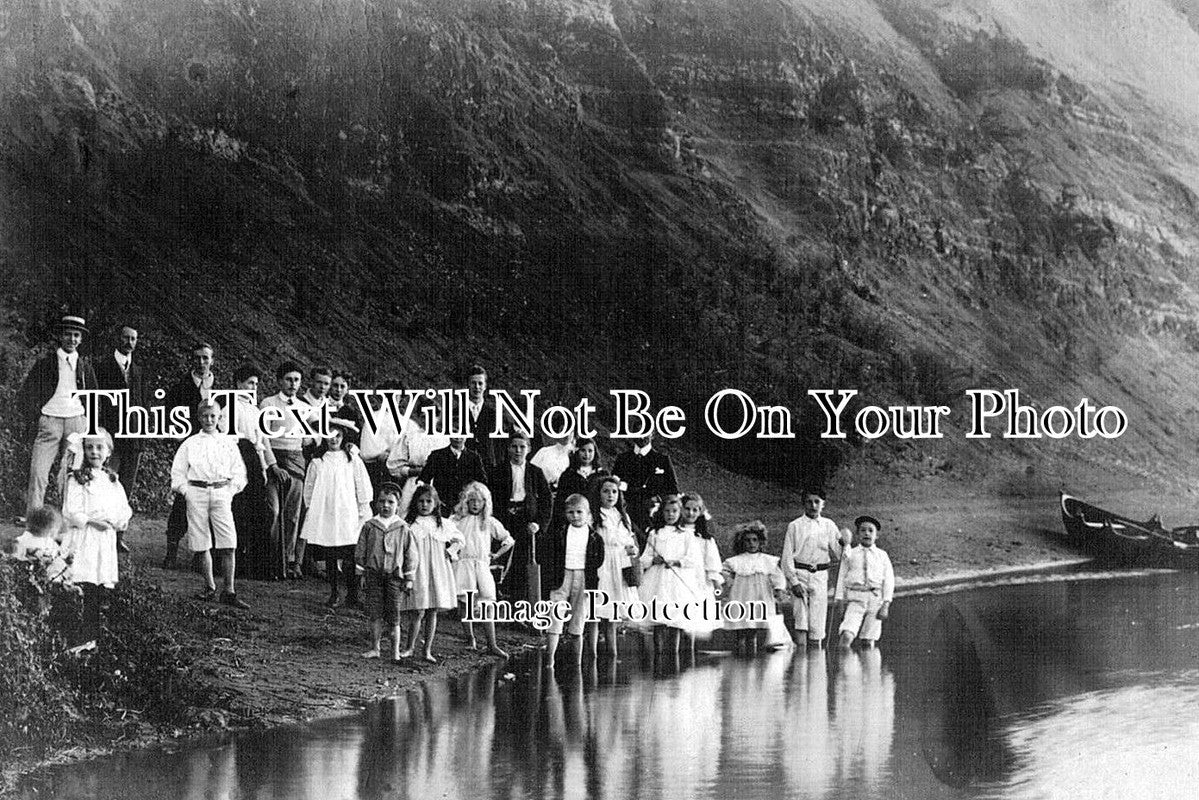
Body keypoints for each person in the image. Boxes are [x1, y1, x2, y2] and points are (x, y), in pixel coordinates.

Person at [170, 400, 249, 609]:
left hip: (222, 493)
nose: (209, 420)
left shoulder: (227, 442)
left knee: (228, 542)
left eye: (213, 416)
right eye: (205, 416)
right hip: (197, 492)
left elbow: (239, 472)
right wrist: (187, 491)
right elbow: (177, 473)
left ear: (219, 418)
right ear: (199, 418)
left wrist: (229, 491)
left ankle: (229, 590)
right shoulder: (190, 443)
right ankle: (210, 587)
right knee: (201, 541)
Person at [18, 314, 97, 521]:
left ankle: (68, 526)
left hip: (76, 423)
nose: (72, 339)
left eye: (76, 335)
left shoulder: (84, 366)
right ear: (61, 337)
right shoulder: (46, 364)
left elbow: (95, 396)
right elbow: (26, 394)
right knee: (38, 474)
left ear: (81, 339)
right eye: (68, 334)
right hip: (50, 422)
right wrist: (38, 417)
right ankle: (34, 526)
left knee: (69, 477)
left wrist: (87, 420)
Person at [60, 429, 132, 653]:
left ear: (108, 452)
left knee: (99, 588)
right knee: (82, 583)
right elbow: (70, 510)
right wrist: (92, 521)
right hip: (84, 538)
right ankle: (75, 638)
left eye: (99, 447)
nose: (94, 452)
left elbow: (124, 510)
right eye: (89, 447)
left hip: (104, 541)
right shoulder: (77, 479)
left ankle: (93, 639)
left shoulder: (112, 480)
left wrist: (117, 522)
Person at [222, 365, 286, 580]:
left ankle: (257, 565)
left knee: (261, 513)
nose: (253, 387)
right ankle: (235, 563)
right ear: (238, 383)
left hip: (256, 465)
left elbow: (263, 439)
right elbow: (228, 440)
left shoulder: (254, 408)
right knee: (239, 513)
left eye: (256, 384)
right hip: (239, 462)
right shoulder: (230, 407)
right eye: (250, 383)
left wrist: (269, 465)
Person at [301, 418, 374, 608]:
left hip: (347, 513)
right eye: (329, 435)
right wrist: (313, 511)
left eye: (338, 435)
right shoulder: (318, 461)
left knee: (350, 555)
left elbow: (362, 484)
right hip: (326, 514)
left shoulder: (351, 459)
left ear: (343, 437)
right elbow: (309, 488)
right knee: (331, 555)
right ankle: (334, 592)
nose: (333, 439)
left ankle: (353, 594)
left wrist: (362, 508)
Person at [162, 342, 218, 569]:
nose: (201, 362)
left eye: (206, 358)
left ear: (212, 360)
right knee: (184, 498)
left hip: (213, 452)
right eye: (197, 358)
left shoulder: (220, 389)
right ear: (191, 360)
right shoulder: (180, 388)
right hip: (189, 450)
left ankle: (200, 554)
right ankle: (172, 549)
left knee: (211, 499)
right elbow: (169, 418)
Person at [259, 362, 313, 579]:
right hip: (274, 463)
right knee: (273, 512)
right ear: (279, 381)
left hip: (296, 463)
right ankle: (270, 561)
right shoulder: (268, 403)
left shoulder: (303, 407)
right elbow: (263, 437)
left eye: (297, 380)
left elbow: (310, 437)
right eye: (289, 379)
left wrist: (310, 438)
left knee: (292, 516)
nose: (293, 384)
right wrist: (273, 466)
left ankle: (289, 561)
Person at [398, 484, 463, 662]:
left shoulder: (443, 524)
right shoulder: (409, 523)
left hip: (437, 569)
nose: (425, 505)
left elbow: (459, 539)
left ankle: (427, 650)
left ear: (435, 504)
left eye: (429, 501)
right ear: (415, 503)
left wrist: (450, 552)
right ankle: (409, 647)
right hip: (418, 570)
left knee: (433, 610)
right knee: (418, 610)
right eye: (421, 501)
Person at [94, 325, 144, 552]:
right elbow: (97, 402)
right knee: (105, 485)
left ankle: (117, 537)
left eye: (133, 339)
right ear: (118, 338)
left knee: (126, 489)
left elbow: (144, 406)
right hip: (110, 439)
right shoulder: (102, 367)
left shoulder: (139, 371)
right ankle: (99, 535)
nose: (129, 342)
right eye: (126, 337)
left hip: (133, 439)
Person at [451, 481, 514, 657]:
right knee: (465, 603)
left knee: (487, 603)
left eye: (479, 501)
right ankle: (470, 638)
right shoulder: (457, 520)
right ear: (465, 502)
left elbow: (508, 540)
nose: (475, 505)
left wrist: (497, 554)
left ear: (485, 503)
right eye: (471, 501)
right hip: (464, 564)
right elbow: (446, 535)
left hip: (481, 565)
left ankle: (491, 643)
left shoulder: (489, 522)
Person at [356, 482, 416, 661]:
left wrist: (409, 577)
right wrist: (361, 574)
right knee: (374, 613)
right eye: (382, 501)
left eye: (390, 502)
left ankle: (395, 651)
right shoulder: (370, 526)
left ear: (398, 505)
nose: (386, 505)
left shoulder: (403, 528)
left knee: (394, 615)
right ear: (376, 503)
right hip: (374, 575)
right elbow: (361, 550)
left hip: (394, 578)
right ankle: (375, 647)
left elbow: (410, 553)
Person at [542, 494, 604, 669]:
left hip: (584, 577)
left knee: (578, 619)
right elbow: (549, 555)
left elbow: (599, 558)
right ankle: (550, 660)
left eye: (579, 512)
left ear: (588, 513)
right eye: (571, 512)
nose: (575, 516)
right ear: (565, 513)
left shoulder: (594, 537)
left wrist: (588, 573)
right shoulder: (560, 533)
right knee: (555, 615)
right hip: (562, 576)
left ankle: (576, 662)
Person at [638, 494, 705, 655]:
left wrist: (676, 562)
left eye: (674, 511)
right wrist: (654, 560)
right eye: (667, 511)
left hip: (677, 581)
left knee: (676, 619)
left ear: (680, 513)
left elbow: (693, 559)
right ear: (662, 513)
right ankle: (658, 654)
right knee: (658, 617)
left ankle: (673, 654)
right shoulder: (655, 533)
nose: (671, 515)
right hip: (658, 580)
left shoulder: (686, 534)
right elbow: (644, 558)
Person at [781, 490, 848, 647]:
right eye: (809, 501)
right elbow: (787, 556)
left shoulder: (829, 525)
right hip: (800, 574)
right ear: (803, 504)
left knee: (817, 623)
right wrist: (793, 581)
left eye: (817, 501)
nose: (813, 505)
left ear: (823, 504)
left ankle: (816, 666)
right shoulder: (794, 526)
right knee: (801, 621)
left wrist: (845, 543)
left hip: (820, 576)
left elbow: (841, 554)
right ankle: (802, 662)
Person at [490, 431, 551, 602]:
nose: (518, 451)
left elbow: (547, 501)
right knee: (500, 560)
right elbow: (491, 498)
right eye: (514, 447)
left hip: (526, 520)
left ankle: (519, 606)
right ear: (508, 448)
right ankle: (495, 602)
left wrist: (539, 524)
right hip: (503, 519)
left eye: (522, 447)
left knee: (523, 563)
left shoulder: (535, 472)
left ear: (529, 449)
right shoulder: (498, 471)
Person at [587, 475, 640, 658]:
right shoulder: (593, 514)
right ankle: (591, 654)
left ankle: (612, 653)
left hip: (619, 563)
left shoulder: (622, 516)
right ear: (599, 494)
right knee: (595, 611)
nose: (610, 495)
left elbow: (628, 539)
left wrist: (631, 548)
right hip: (600, 563)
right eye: (606, 491)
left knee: (612, 613)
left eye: (614, 492)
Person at [722, 521, 787, 655]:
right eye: (747, 540)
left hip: (759, 597)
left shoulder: (767, 560)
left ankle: (752, 659)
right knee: (741, 629)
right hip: (742, 597)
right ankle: (740, 661)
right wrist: (729, 580)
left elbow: (778, 576)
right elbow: (723, 572)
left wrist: (779, 588)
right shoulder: (735, 561)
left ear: (760, 542)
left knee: (753, 630)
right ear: (742, 542)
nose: (751, 543)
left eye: (754, 540)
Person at [834, 515, 895, 649]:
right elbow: (841, 577)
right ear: (857, 534)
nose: (867, 533)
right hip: (855, 599)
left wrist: (886, 604)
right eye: (863, 530)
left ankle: (869, 668)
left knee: (868, 640)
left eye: (870, 530)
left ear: (876, 535)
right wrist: (839, 601)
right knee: (846, 635)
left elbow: (889, 581)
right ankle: (846, 668)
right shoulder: (850, 554)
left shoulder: (882, 555)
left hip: (875, 599)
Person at [385, 396, 449, 517]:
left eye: (432, 416)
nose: (427, 420)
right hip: (414, 482)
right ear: (419, 418)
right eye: (424, 416)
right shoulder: (410, 437)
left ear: (437, 417)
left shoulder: (445, 439)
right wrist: (414, 471)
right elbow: (393, 465)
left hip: (438, 484)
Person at [611, 433, 679, 542]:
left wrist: (657, 500)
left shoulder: (663, 460)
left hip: (651, 515)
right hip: (626, 513)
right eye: (638, 432)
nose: (642, 437)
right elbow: (613, 486)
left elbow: (673, 490)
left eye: (645, 433)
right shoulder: (623, 459)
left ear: (652, 435)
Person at [678, 492, 724, 641]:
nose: (690, 513)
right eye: (687, 509)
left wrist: (716, 580)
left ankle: (691, 652)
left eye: (695, 510)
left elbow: (711, 561)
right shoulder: (675, 533)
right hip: (678, 577)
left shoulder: (704, 538)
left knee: (694, 618)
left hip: (698, 579)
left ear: (700, 512)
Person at [421, 435, 488, 517]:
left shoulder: (474, 457)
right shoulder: (437, 455)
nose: (458, 438)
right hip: (442, 508)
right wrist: (434, 499)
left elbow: (481, 482)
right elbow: (424, 479)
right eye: (454, 433)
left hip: (465, 509)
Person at [358, 381, 403, 496]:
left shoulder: (405, 422)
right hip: (377, 468)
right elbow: (367, 449)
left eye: (396, 396)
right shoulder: (373, 417)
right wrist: (382, 453)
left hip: (399, 469)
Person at [551, 436, 606, 527]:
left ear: (595, 452)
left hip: (597, 518)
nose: (587, 454)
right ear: (577, 452)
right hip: (574, 519)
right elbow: (560, 502)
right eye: (583, 450)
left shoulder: (602, 474)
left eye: (590, 451)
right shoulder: (568, 475)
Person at [13, 506, 70, 584]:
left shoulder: (23, 538)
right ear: (52, 530)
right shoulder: (48, 542)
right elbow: (56, 555)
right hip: (43, 576)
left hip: (25, 574)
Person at [462, 365, 501, 474]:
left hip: (488, 469)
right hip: (463, 468)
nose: (477, 387)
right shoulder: (457, 412)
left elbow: (499, 447)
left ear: (485, 386)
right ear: (468, 385)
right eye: (473, 383)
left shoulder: (494, 414)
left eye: (480, 383)